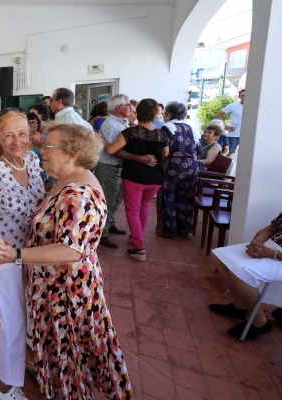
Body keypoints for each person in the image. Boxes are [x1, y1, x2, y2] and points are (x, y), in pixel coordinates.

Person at [0, 122, 133, 400]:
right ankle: (48, 372)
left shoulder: (80, 194)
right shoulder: (66, 179)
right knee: (58, 344)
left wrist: (16, 255)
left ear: (71, 154)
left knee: (70, 349)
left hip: (67, 290)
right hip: (54, 286)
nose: (41, 150)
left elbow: (71, 250)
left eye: (48, 146)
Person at [0, 110, 45, 400]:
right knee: (13, 322)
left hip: (31, 252)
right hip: (3, 257)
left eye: (22, 133)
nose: (17, 141)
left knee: (30, 314)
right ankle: (4, 387)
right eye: (9, 135)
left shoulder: (33, 159)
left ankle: (30, 364)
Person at [104, 98, 169, 261]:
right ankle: (136, 236)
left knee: (132, 211)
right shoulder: (162, 134)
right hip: (155, 178)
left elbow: (111, 149)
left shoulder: (130, 132)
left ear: (137, 113)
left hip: (133, 177)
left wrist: (103, 140)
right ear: (155, 114)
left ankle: (139, 248)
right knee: (144, 207)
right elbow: (166, 154)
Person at [208, 212, 282, 340]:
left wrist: (272, 254)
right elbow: (272, 228)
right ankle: (240, 305)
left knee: (241, 270)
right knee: (219, 256)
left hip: (277, 256)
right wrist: (255, 244)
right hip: (270, 248)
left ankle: (259, 321)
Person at [159, 101, 201, 238]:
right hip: (192, 166)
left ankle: (171, 231)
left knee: (168, 196)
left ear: (169, 115)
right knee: (187, 197)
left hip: (173, 165)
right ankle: (185, 228)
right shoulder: (192, 127)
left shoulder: (167, 127)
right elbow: (199, 150)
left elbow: (163, 149)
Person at [95, 94, 130, 248]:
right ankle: (102, 234)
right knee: (108, 202)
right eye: (128, 105)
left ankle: (110, 223)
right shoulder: (111, 124)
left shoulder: (122, 123)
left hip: (118, 167)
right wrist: (136, 157)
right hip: (109, 167)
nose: (131, 108)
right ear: (119, 108)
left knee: (116, 199)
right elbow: (112, 150)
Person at [215, 88, 244, 157]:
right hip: (234, 134)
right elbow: (218, 115)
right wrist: (225, 126)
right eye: (243, 95)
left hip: (248, 135)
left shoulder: (253, 106)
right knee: (228, 154)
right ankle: (226, 167)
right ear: (239, 97)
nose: (245, 97)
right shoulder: (233, 106)